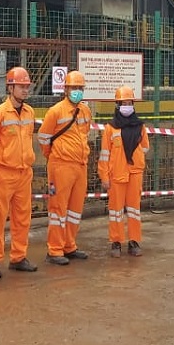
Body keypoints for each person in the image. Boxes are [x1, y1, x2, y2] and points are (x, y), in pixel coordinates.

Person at [0, 67, 39, 279]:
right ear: (10, 87)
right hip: (4, 172)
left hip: (24, 172)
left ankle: (18, 257)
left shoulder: (29, 112)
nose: (25, 90)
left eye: (27, 86)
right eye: (21, 86)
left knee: (22, 217)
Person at [37, 69, 93, 264]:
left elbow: (85, 134)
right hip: (60, 165)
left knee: (75, 209)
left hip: (80, 165)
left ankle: (70, 245)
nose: (77, 91)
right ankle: (55, 250)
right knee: (58, 209)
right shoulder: (56, 111)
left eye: (80, 88)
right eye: (74, 88)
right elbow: (43, 138)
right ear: (66, 89)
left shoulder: (85, 111)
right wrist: (53, 156)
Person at [98, 86, 149, 257]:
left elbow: (145, 148)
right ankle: (116, 242)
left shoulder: (141, 127)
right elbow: (104, 155)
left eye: (129, 103)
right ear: (117, 105)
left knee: (134, 209)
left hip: (134, 173)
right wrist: (104, 177)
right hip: (117, 175)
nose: (127, 106)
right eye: (124, 103)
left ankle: (134, 241)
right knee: (116, 210)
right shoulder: (110, 128)